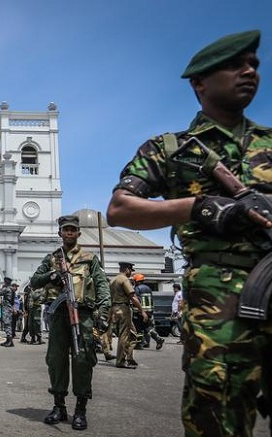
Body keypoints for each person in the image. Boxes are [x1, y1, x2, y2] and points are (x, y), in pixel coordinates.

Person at [106, 30, 272, 436]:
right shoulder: (170, 149)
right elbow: (120, 209)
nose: (248, 71)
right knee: (217, 422)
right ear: (199, 82)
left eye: (253, 63)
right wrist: (199, 207)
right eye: (234, 65)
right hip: (219, 310)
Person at [30, 215, 111, 431]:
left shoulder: (89, 258)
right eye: (65, 230)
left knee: (82, 359)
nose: (69, 233)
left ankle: (81, 410)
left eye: (73, 230)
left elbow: (102, 285)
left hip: (82, 315)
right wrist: (52, 276)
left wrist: (103, 313)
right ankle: (59, 407)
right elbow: (34, 281)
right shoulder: (52, 259)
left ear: (78, 233)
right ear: (60, 233)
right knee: (56, 360)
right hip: (58, 316)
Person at [109, 262, 147, 368]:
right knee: (124, 336)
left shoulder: (112, 280)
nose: (130, 273)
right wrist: (142, 311)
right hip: (123, 309)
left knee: (133, 334)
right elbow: (133, 297)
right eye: (130, 270)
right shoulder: (124, 279)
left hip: (115, 308)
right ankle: (120, 361)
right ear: (126, 269)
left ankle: (129, 357)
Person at [132, 273, 165, 350]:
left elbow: (136, 301)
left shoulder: (137, 289)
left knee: (138, 329)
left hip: (140, 312)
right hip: (149, 312)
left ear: (136, 281)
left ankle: (139, 344)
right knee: (147, 327)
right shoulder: (148, 288)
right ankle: (158, 338)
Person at [0, 277, 16, 347]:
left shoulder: (7, 289)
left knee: (7, 323)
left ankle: (10, 341)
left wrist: (0, 286)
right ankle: (8, 340)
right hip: (9, 307)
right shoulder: (12, 289)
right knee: (7, 323)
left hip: (6, 307)